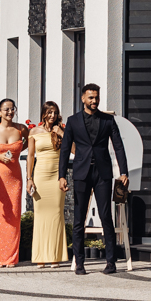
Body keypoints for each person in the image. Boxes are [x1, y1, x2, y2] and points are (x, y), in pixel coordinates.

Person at [57, 84, 128, 276]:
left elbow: (118, 146)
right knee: (79, 219)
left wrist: (123, 172)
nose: (94, 101)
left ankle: (111, 262)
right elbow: (65, 149)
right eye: (90, 97)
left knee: (106, 217)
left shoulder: (108, 120)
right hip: (81, 173)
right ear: (83, 99)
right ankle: (79, 263)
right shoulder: (73, 121)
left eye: (96, 97)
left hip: (102, 173)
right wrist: (61, 176)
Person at [27, 101, 67, 267]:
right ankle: (40, 257)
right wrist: (29, 178)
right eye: (49, 112)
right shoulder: (34, 132)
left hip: (57, 177)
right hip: (40, 176)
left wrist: (62, 133)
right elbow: (30, 156)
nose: (52, 116)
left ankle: (54, 256)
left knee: (56, 215)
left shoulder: (62, 130)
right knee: (40, 216)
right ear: (43, 114)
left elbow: (74, 150)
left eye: (55, 113)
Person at [0, 98, 26, 267]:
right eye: (6, 109)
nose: (10, 112)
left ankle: (11, 258)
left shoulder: (21, 129)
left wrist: (16, 152)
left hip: (15, 177)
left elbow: (28, 145)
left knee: (14, 215)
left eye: (12, 109)